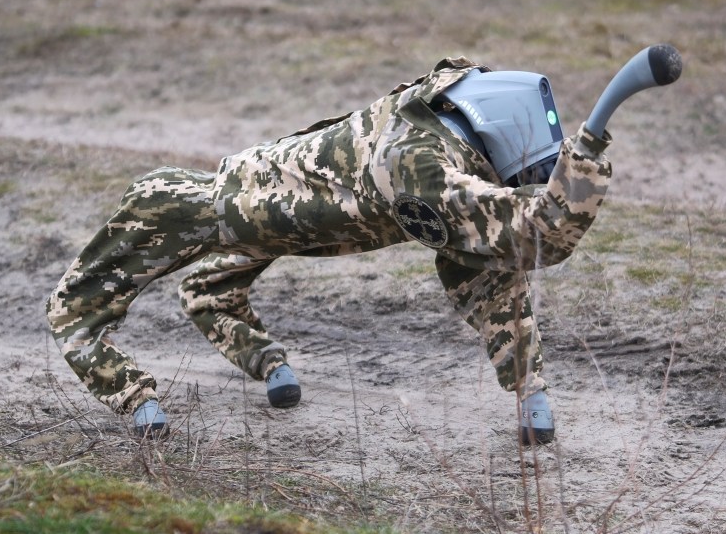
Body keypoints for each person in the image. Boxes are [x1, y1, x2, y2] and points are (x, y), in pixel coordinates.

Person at [45, 57, 613, 444]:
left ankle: (528, 393)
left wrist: (528, 383)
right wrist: (586, 155)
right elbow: (537, 236)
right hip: (220, 203)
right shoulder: (419, 166)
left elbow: (490, 260)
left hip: (288, 212)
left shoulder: (444, 119)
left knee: (479, 257)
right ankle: (143, 388)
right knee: (82, 303)